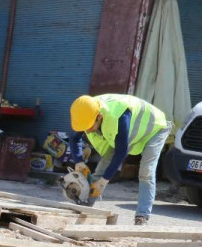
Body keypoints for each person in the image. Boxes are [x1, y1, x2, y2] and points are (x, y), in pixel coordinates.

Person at [68, 94, 169, 225]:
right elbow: (74, 138)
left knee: (146, 172)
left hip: (155, 128)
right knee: (102, 168)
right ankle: (85, 206)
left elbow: (121, 153)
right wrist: (79, 163)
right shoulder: (86, 110)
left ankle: (142, 216)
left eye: (90, 126)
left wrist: (104, 181)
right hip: (132, 130)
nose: (88, 130)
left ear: (99, 117)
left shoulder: (119, 116)